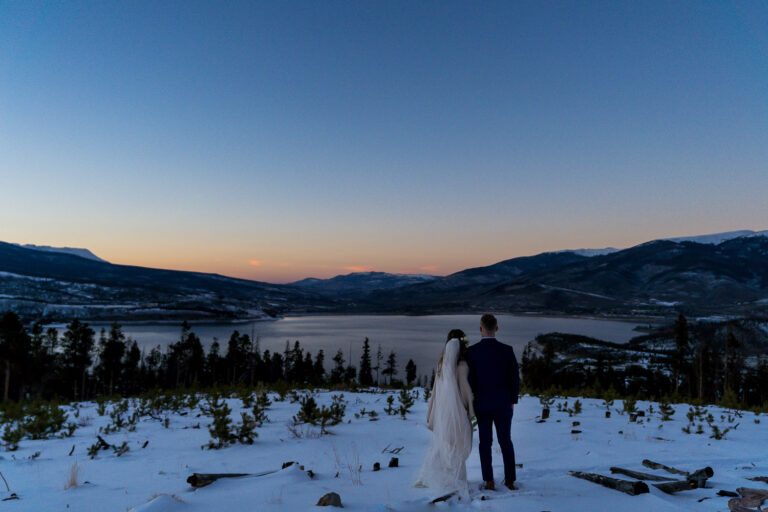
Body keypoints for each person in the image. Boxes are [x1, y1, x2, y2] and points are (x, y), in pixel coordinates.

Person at [415, 329, 475, 498]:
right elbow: (465, 390)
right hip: (457, 411)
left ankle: (445, 477)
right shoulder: (461, 365)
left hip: (442, 412)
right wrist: (470, 408)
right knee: (458, 444)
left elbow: (435, 390)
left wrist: (431, 411)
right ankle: (456, 479)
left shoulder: (442, 364)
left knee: (447, 443)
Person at [466, 314, 520, 491]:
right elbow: (514, 379)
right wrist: (512, 400)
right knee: (506, 441)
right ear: (497, 328)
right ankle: (510, 480)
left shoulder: (472, 352)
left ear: (480, 329)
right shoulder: (507, 350)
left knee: (485, 443)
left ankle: (489, 481)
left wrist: (472, 400)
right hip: (503, 403)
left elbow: (471, 381)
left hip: (481, 403)